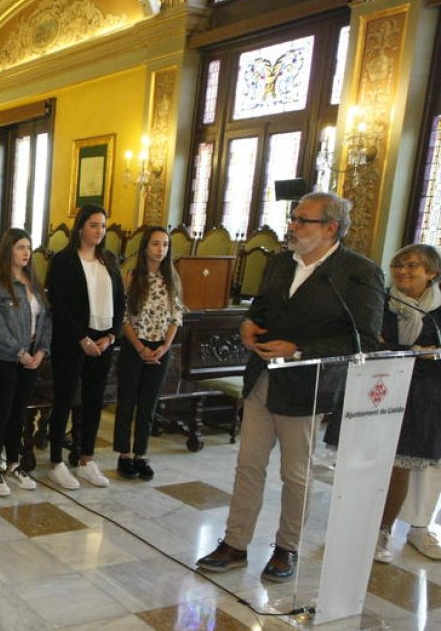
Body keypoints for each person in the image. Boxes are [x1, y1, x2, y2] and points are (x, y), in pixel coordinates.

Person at [197, 191, 383, 582]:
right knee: (248, 464)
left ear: (331, 229)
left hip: (306, 384)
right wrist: (248, 324)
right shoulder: (281, 263)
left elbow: (363, 338)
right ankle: (235, 543)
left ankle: (287, 548)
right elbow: (261, 306)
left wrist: (299, 350)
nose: (292, 226)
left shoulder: (357, 273)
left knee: (295, 473)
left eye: (302, 220)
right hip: (263, 376)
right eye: (293, 218)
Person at [45, 203, 124, 490]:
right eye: (94, 225)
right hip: (72, 339)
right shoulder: (65, 260)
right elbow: (59, 302)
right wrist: (82, 338)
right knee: (64, 400)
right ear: (81, 227)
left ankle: (86, 459)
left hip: (103, 340)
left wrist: (112, 336)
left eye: (103, 226)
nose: (99, 231)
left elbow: (121, 302)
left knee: (94, 401)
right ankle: (56, 461)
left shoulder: (110, 261)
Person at [374, 244, 441, 562]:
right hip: (378, 389)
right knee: (372, 465)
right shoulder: (380, 302)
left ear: (432, 273)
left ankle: (387, 530)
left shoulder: (437, 310)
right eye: (398, 264)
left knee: (404, 467)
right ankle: (361, 524)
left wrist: (401, 348)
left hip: (423, 398)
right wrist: (418, 349)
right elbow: (374, 345)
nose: (402, 270)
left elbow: (436, 359)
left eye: (412, 265)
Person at [0, 228, 50, 497]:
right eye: (21, 247)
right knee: (2, 412)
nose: (26, 252)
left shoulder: (35, 283)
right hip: (4, 358)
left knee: (19, 413)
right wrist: (19, 352)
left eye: (28, 247)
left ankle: (14, 463)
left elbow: (46, 320)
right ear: (9, 250)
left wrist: (41, 351)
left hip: (32, 357)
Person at [114, 226, 183, 481]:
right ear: (145, 247)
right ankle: (124, 454)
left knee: (148, 404)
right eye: (156, 244)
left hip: (160, 347)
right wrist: (140, 347)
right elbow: (123, 317)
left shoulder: (172, 278)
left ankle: (141, 454)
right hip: (136, 346)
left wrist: (165, 346)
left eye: (165, 244)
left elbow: (177, 316)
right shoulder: (133, 276)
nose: (160, 249)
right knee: (127, 402)